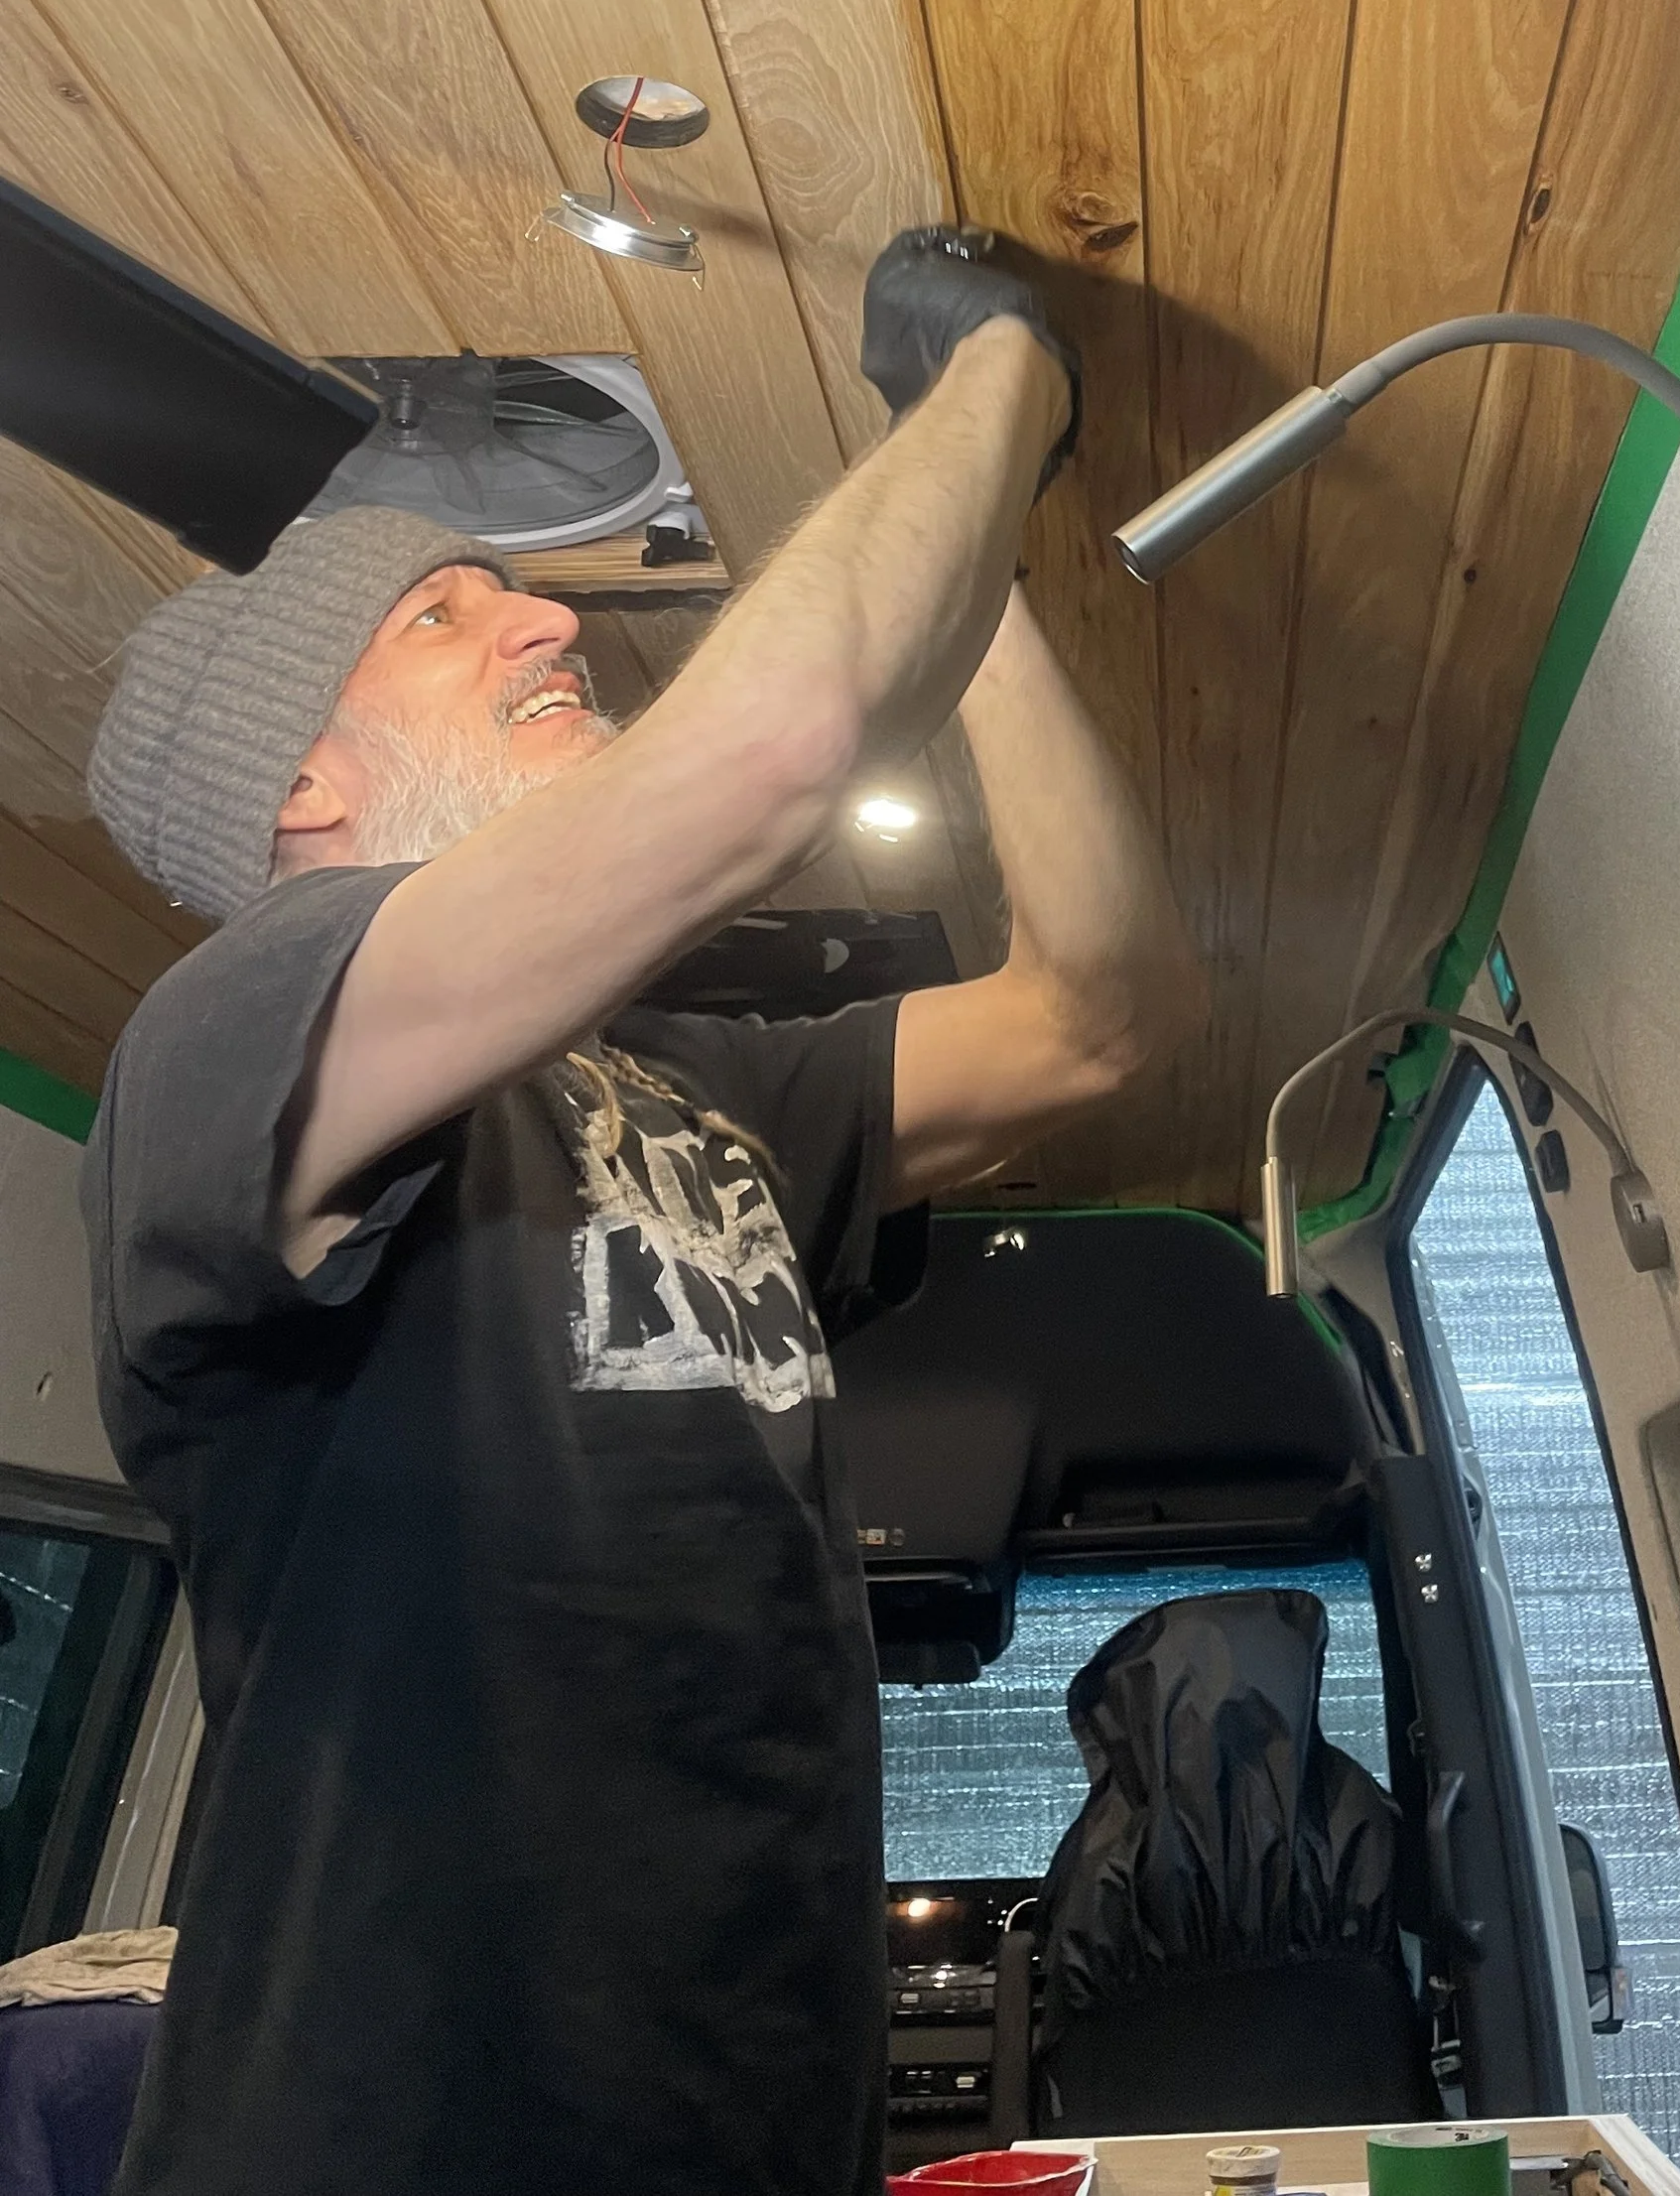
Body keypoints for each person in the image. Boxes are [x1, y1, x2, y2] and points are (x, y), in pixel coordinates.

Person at [76, 230, 1205, 2196]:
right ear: (300, 786)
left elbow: (1105, 1014)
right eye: (443, 617)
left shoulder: (687, 1086)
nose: (545, 618)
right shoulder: (229, 1030)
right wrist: (998, 381)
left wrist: (981, 577)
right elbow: (766, 759)